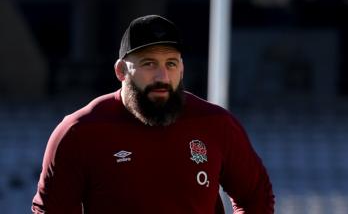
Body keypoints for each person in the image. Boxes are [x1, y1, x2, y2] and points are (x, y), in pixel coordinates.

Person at [32, 15, 275, 213]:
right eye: (149, 63)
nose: (162, 77)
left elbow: (256, 196)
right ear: (121, 71)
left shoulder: (215, 124)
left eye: (171, 63)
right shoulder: (80, 132)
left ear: (182, 68)